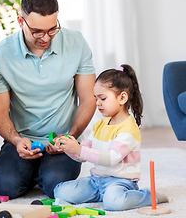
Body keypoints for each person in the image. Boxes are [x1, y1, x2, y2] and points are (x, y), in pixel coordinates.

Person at [0, 0, 96, 199]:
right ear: (21, 21)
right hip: (22, 139)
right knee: (6, 189)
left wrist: (70, 136)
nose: (45, 37)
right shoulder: (0, 54)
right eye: (37, 31)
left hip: (63, 138)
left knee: (56, 187)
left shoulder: (77, 43)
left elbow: (87, 100)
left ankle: (42, 172)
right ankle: (34, 170)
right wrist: (17, 141)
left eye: (52, 29)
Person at [53, 64, 169, 211]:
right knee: (59, 191)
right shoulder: (99, 125)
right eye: (96, 98)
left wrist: (79, 149)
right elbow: (83, 155)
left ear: (122, 98)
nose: (97, 103)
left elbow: (111, 158)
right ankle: (104, 195)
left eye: (102, 98)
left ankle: (150, 196)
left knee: (114, 203)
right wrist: (68, 147)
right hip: (96, 181)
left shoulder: (129, 129)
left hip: (120, 182)